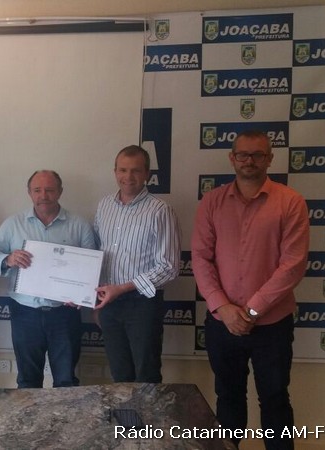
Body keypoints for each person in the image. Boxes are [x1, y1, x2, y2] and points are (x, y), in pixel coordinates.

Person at [192, 130, 309, 449]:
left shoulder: (291, 202)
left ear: (269, 159)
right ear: (232, 158)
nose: (249, 161)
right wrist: (224, 308)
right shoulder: (212, 202)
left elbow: (293, 265)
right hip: (223, 322)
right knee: (228, 397)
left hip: (272, 325)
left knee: (275, 399)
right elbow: (200, 258)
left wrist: (252, 310)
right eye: (243, 154)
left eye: (258, 154)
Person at [0, 170, 96, 388]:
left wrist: (81, 294)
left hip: (64, 313)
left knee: (66, 380)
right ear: (29, 192)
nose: (43, 195)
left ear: (60, 192)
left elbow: (92, 269)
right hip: (24, 312)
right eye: (37, 190)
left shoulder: (79, 225)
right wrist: (8, 259)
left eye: (49, 190)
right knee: (28, 380)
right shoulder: (13, 224)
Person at [93, 145, 181, 383]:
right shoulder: (104, 206)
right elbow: (97, 255)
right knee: (119, 375)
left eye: (135, 170)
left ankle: (146, 412)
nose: (128, 177)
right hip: (109, 303)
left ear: (147, 174)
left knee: (146, 375)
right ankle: (125, 412)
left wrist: (123, 288)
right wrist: (95, 303)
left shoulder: (160, 210)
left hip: (143, 303)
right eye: (123, 170)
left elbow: (169, 267)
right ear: (115, 171)